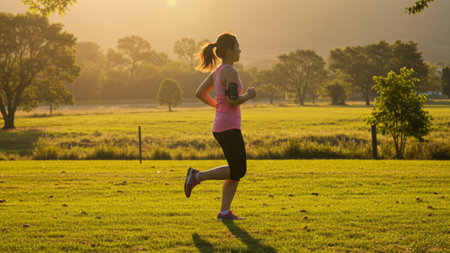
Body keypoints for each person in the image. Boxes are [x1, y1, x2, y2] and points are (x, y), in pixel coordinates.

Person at [184, 32, 256, 220]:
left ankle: (224, 212)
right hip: (228, 127)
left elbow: (200, 93)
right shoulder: (231, 72)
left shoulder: (217, 72)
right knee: (239, 169)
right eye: (237, 47)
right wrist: (249, 95)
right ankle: (196, 177)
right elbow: (232, 101)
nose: (240, 50)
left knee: (236, 171)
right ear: (230, 51)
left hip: (222, 125)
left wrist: (218, 105)